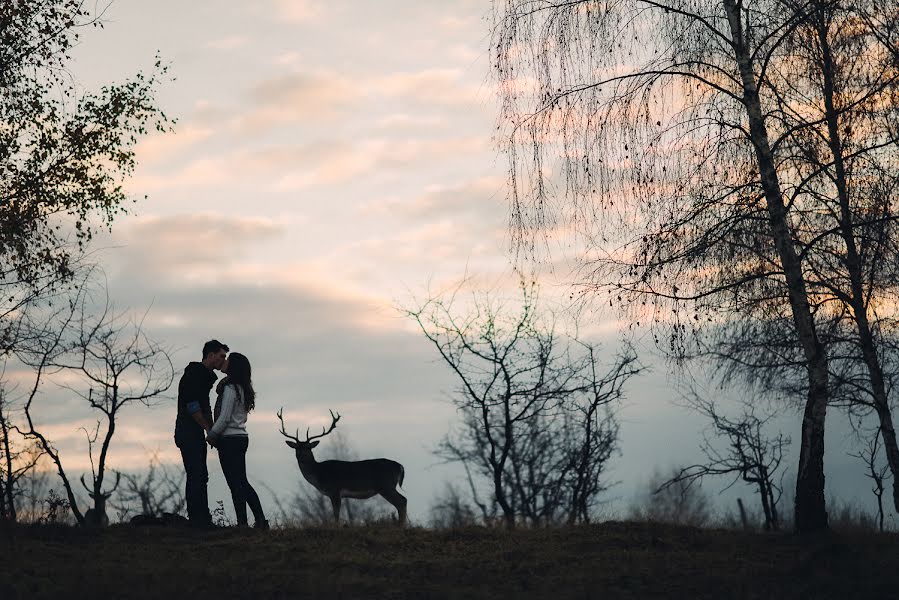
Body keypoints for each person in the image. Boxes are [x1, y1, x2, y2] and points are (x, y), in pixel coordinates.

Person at [207, 352, 268, 529]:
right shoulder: (242, 388)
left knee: (235, 483)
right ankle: (260, 521)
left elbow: (225, 417)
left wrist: (212, 435)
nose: (224, 362)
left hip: (229, 440)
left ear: (233, 366)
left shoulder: (230, 388)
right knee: (241, 482)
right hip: (241, 438)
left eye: (228, 360)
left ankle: (244, 523)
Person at [174, 339, 228, 528]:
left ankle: (201, 518)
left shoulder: (204, 377)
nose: (223, 360)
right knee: (196, 474)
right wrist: (209, 428)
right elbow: (193, 406)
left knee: (200, 475)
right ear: (211, 355)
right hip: (187, 432)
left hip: (193, 432)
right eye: (221, 356)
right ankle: (197, 520)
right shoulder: (195, 375)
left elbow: (203, 406)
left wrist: (211, 429)